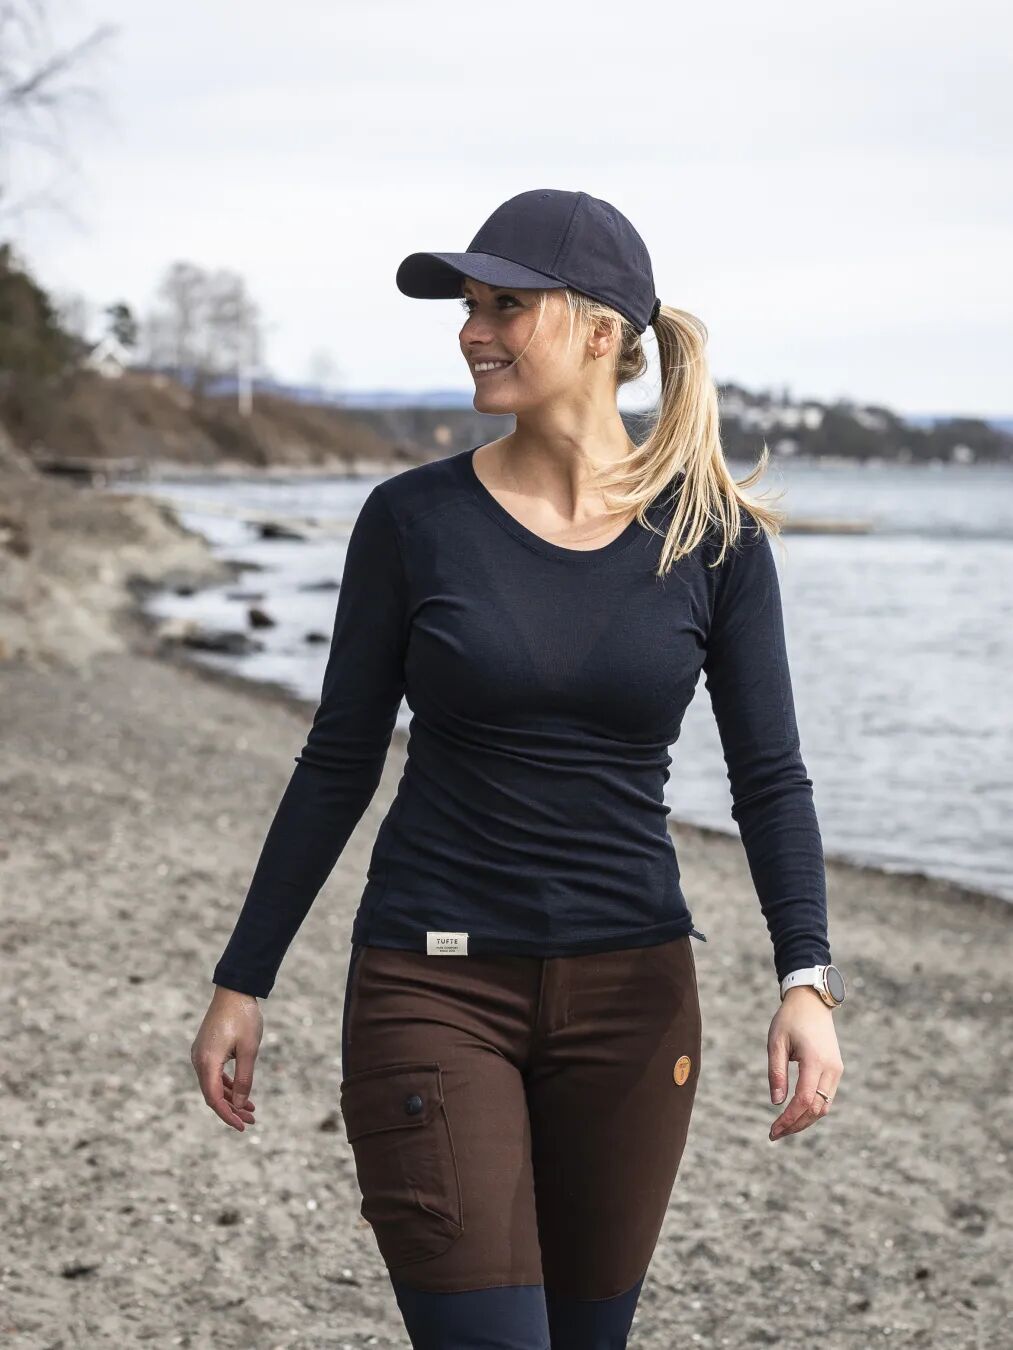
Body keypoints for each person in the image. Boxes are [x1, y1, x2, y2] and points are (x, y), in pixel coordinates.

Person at [191, 188, 847, 1349]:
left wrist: (805, 978)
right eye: (468, 305)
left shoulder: (713, 538)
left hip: (634, 1003)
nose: (470, 330)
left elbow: (769, 779)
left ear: (599, 331)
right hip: (431, 983)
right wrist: (244, 977)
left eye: (504, 305)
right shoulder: (411, 521)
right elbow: (339, 757)